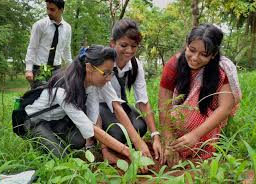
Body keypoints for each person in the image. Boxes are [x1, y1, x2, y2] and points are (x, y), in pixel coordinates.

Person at [23, 45, 130, 159]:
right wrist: (127, 151)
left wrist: (105, 150)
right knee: (60, 158)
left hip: (57, 121)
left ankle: (53, 137)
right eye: (105, 73)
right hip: (35, 121)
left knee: (79, 140)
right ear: (89, 67)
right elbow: (89, 127)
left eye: (111, 73)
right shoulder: (63, 90)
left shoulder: (90, 86)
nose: (109, 79)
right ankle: (39, 140)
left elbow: (94, 119)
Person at [158, 24, 242, 166]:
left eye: (204, 54)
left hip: (208, 120)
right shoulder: (174, 65)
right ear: (186, 45)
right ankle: (179, 142)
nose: (195, 58)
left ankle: (201, 148)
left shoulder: (223, 69)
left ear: (213, 54)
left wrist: (195, 135)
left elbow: (225, 108)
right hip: (179, 117)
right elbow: (163, 104)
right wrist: (168, 141)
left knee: (204, 151)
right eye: (192, 50)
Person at [99, 19, 163, 166]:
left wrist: (155, 135)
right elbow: (114, 105)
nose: (129, 50)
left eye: (133, 46)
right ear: (112, 43)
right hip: (101, 107)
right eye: (123, 45)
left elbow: (142, 101)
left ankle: (124, 139)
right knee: (118, 133)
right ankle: (107, 145)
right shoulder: (104, 63)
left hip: (121, 105)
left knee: (140, 126)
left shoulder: (135, 65)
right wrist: (138, 142)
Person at [25, 0, 72, 89]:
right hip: (41, 68)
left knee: (56, 95)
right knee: (40, 96)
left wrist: (71, 68)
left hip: (57, 69)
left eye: (52, 9)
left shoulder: (67, 28)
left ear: (61, 10)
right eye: (47, 9)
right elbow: (32, 48)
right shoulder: (40, 25)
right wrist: (28, 69)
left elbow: (66, 49)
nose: (48, 12)